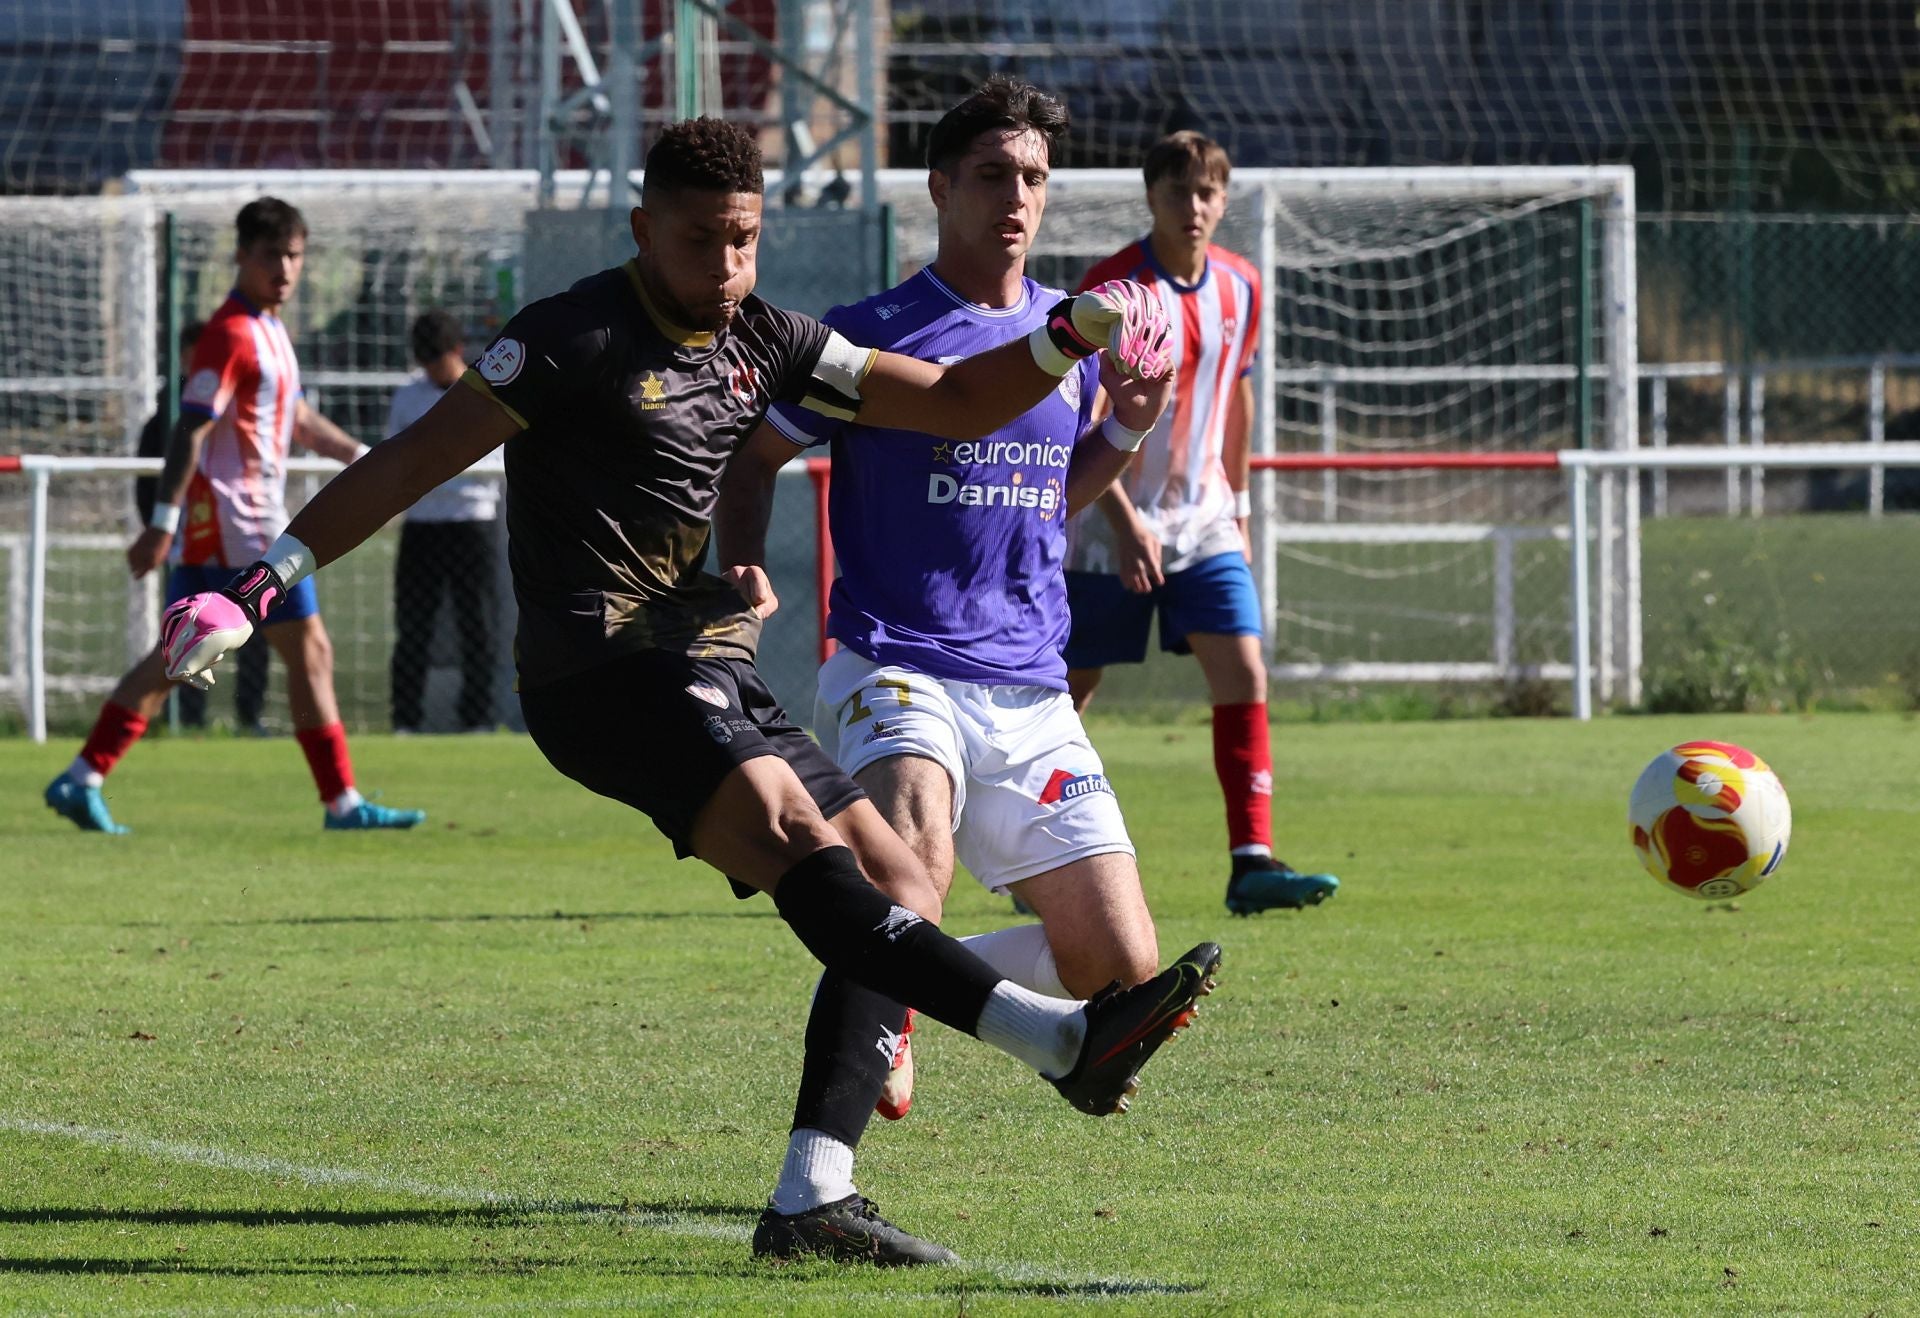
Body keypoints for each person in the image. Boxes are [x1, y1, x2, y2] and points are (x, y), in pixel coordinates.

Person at [157, 119, 1220, 1264]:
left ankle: (813, 1197)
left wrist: (1066, 338)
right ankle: (1057, 1045)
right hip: (597, 672)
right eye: (705, 242)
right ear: (642, 231)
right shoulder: (568, 338)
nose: (728, 269)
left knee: (897, 876)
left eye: (748, 241)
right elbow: (408, 463)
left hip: (699, 656)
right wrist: (259, 585)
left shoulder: (771, 337)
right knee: (797, 838)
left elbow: (958, 400)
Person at [718, 76, 1178, 1264]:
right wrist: (737, 567)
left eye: (1032, 178)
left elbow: (1045, 502)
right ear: (939, 187)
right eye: (991, 175)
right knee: (908, 873)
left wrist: (1125, 429)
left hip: (1029, 685)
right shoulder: (872, 335)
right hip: (895, 662)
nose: (1016, 199)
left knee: (1118, 967)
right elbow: (753, 456)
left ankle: (906, 982)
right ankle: (815, 1189)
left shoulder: (1070, 344)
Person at [44, 197, 425, 835]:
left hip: (230, 526)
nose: (285, 268)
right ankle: (342, 804)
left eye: (294, 255)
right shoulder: (229, 332)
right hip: (240, 528)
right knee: (310, 651)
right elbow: (191, 427)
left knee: (177, 657)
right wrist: (162, 520)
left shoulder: (271, 330)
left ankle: (83, 776)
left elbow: (295, 418)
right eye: (271, 254)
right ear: (242, 255)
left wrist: (365, 460)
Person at [1065, 130, 1339, 917]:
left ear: (1225, 199)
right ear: (1150, 195)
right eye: (1179, 190)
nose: (1195, 205)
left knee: (1244, 673)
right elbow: (1082, 415)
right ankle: (1038, 854)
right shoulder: (1111, 289)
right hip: (1105, 522)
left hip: (1206, 522)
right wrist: (1120, 522)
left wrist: (1242, 509)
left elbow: (1238, 399)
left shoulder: (1243, 286)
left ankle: (1251, 862)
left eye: (1208, 191)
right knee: (1070, 692)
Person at [135, 319, 270, 732]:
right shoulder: (168, 412)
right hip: (190, 546)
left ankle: (251, 717)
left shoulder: (241, 401)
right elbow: (149, 479)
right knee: (182, 634)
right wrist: (159, 527)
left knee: (262, 633)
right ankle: (186, 720)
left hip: (241, 537)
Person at [384, 309, 498, 734]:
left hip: (472, 523)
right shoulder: (407, 396)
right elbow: (395, 457)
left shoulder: (486, 392)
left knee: (478, 626)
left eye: (438, 360)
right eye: (425, 363)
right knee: (413, 625)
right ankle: (405, 722)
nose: (432, 371)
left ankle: (478, 722)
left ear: (456, 351)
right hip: (422, 524)